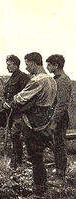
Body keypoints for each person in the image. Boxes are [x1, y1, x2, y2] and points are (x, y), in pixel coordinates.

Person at [3, 52, 57, 198]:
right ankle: (42, 186)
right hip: (45, 120)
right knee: (39, 153)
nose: (26, 68)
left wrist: (11, 103)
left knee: (35, 156)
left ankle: (39, 190)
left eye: (27, 64)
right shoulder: (51, 80)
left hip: (33, 121)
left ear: (33, 63)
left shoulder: (37, 80)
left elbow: (20, 98)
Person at [0, 55, 30, 169]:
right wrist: (4, 104)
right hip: (10, 112)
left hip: (19, 112)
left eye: (9, 64)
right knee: (12, 136)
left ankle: (19, 160)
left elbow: (25, 97)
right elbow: (6, 95)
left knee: (15, 134)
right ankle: (15, 159)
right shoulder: (11, 78)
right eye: (7, 64)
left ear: (15, 64)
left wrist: (12, 104)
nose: (7, 66)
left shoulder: (23, 77)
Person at [46, 54, 72, 182]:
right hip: (53, 115)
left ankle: (61, 174)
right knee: (55, 144)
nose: (47, 67)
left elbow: (62, 104)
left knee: (60, 144)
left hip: (59, 117)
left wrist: (54, 121)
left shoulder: (63, 80)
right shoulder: (56, 79)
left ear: (56, 65)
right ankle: (58, 169)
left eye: (49, 65)